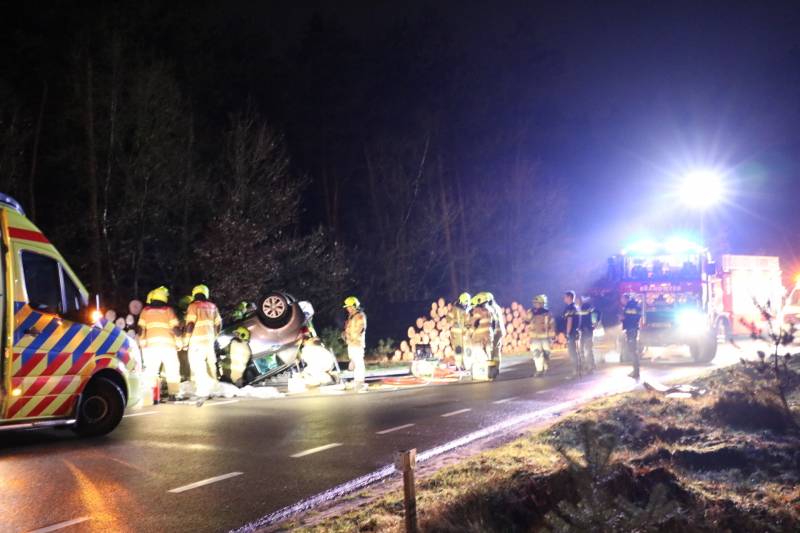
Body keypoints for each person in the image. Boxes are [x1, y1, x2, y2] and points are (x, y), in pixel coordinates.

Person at [138, 286, 182, 401]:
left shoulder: (145, 311)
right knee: (172, 370)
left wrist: (142, 342)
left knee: (151, 371)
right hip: (168, 347)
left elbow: (140, 329)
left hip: (151, 347)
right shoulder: (168, 310)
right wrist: (179, 343)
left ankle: (152, 396)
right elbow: (176, 330)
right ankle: (173, 394)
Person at [184, 284, 222, 397]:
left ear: (194, 294)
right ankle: (215, 388)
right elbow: (219, 323)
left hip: (196, 341)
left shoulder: (193, 306)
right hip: (209, 341)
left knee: (197, 364)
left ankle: (201, 390)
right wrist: (215, 335)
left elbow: (190, 325)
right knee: (211, 364)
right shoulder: (212, 306)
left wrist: (186, 341)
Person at [470, 292, 503, 379]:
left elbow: (472, 323)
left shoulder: (478, 310)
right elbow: (494, 323)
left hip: (485, 334)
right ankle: (493, 371)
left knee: (480, 352)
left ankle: (487, 371)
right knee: (491, 352)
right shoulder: (493, 309)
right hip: (492, 333)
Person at [342, 296, 367, 391]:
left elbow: (358, 330)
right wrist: (344, 334)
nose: (348, 308)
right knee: (354, 363)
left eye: (349, 306)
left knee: (358, 363)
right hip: (351, 344)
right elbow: (349, 329)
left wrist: (351, 338)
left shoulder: (360, 316)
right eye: (347, 307)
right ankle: (357, 380)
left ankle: (360, 382)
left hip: (357, 344)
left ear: (354, 306)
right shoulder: (351, 316)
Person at [529, 294, 553, 376]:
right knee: (536, 353)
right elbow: (526, 320)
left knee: (547, 354)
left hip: (545, 338)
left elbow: (552, 325)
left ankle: (546, 368)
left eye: (537, 303)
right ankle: (539, 370)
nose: (535, 304)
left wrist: (551, 337)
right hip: (535, 338)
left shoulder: (547, 313)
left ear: (542, 303)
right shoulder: (531, 312)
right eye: (534, 303)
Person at [447, 292, 472, 370]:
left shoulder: (466, 310)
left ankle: (465, 365)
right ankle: (458, 366)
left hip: (464, 334)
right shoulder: (455, 309)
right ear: (462, 301)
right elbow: (448, 318)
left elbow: (468, 322)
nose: (467, 304)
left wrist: (467, 329)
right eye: (466, 302)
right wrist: (453, 323)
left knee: (466, 349)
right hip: (456, 334)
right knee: (458, 350)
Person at [621, 293, 643, 379]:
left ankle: (636, 371)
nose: (621, 301)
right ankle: (635, 370)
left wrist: (624, 318)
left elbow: (632, 317)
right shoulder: (632, 306)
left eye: (622, 299)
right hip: (632, 329)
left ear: (626, 299)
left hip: (631, 329)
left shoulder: (630, 307)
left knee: (633, 350)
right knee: (633, 350)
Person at [562, 291, 582, 377]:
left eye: (565, 297)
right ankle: (577, 370)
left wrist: (567, 333)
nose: (564, 298)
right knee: (575, 351)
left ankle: (575, 371)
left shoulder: (570, 308)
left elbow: (569, 321)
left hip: (572, 333)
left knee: (572, 352)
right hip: (576, 332)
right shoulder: (576, 307)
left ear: (569, 297)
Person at [577, 295, 598, 373]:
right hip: (583, 330)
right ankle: (589, 365)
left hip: (587, 330)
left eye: (578, 300)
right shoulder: (579, 308)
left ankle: (590, 366)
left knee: (587, 349)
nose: (577, 302)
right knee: (583, 349)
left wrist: (593, 325)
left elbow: (594, 314)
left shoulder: (586, 307)